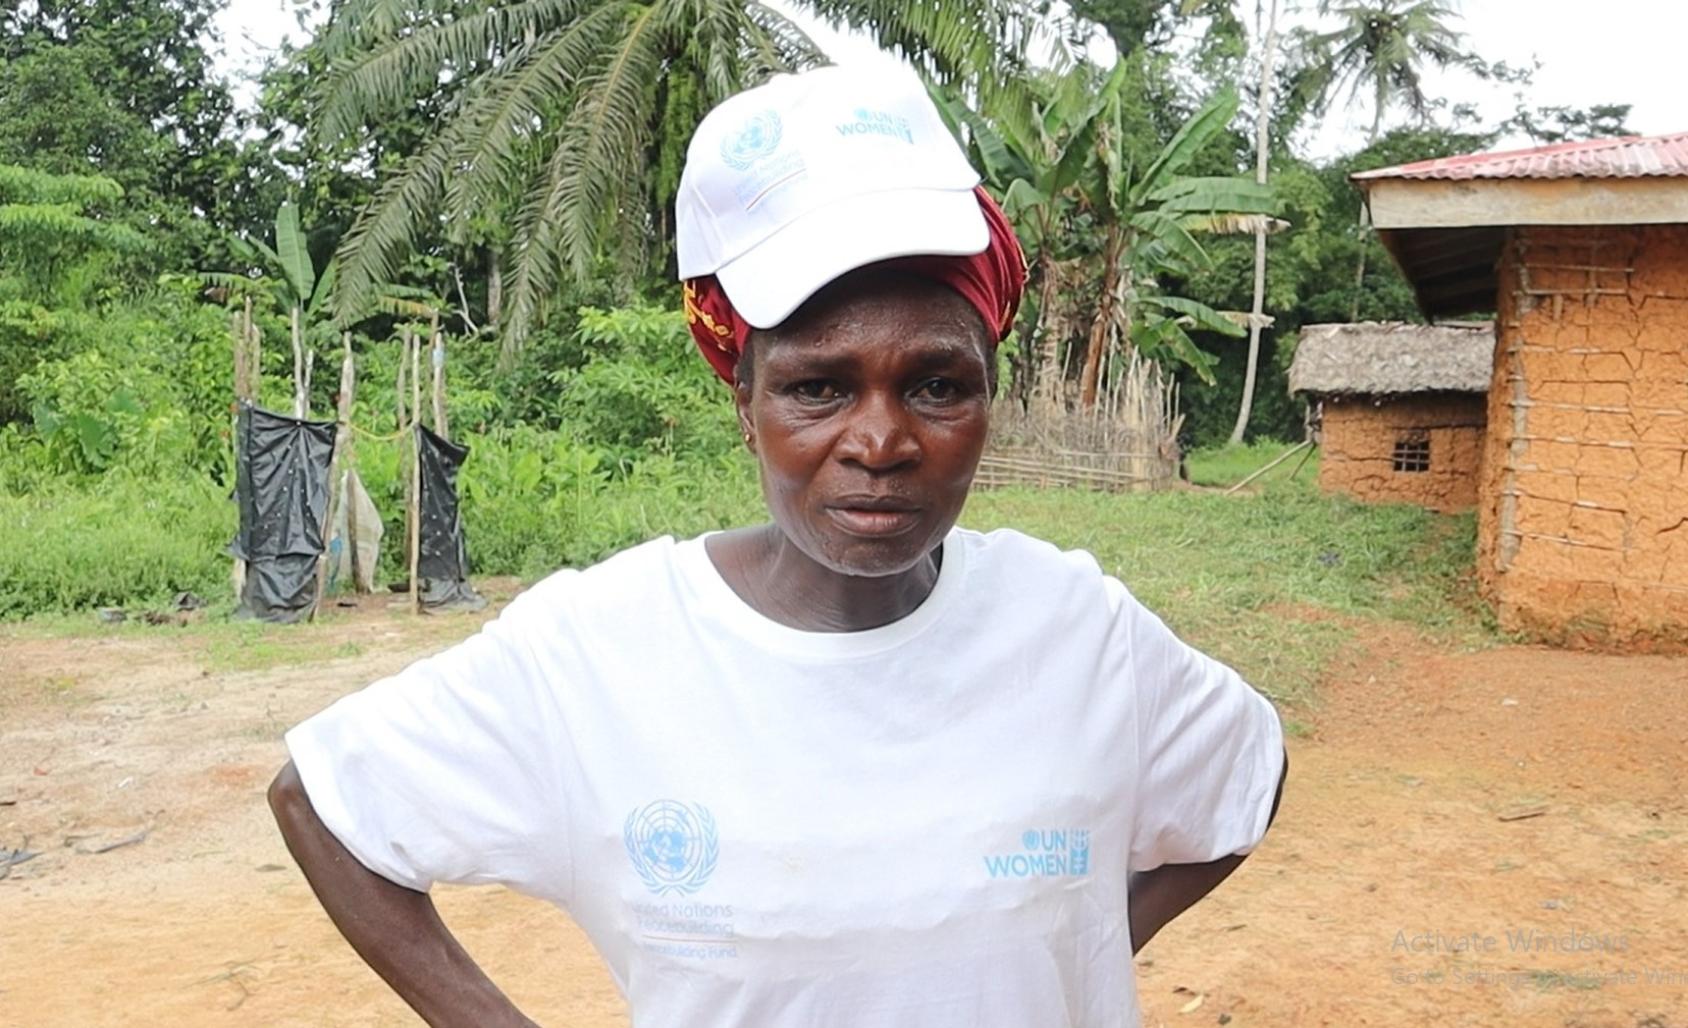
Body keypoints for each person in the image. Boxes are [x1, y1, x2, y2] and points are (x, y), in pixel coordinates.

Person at [269, 62, 1287, 1028]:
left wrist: (1081, 945)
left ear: (987, 396)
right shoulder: (597, 652)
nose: (880, 440)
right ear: (744, 403)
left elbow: (1245, 774)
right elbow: (319, 798)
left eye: (936, 383)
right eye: (817, 387)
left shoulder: (1077, 629)